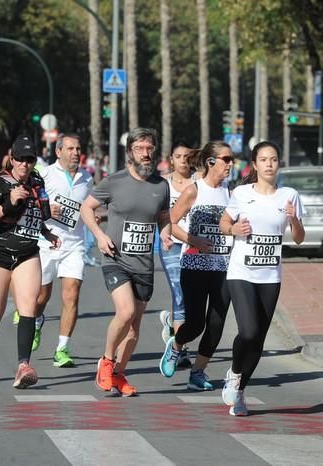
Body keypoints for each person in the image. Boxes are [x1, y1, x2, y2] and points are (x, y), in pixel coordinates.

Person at [81, 127, 172, 397]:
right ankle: (106, 362)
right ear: (130, 152)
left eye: (149, 149)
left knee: (133, 331)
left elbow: (164, 216)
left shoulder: (161, 185)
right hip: (116, 259)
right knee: (125, 311)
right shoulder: (114, 181)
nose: (145, 154)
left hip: (144, 264)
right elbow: (87, 208)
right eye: (139, 149)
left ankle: (119, 374)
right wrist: (98, 236)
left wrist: (166, 234)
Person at [220, 141, 305, 416]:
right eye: (264, 159)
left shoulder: (289, 196)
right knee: (249, 331)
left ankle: (241, 391)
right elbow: (224, 224)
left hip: (270, 275)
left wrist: (294, 220)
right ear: (254, 165)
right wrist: (234, 228)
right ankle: (234, 373)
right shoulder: (241, 193)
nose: (269, 164)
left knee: (258, 340)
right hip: (241, 271)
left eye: (274, 159)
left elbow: (299, 239)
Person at [0, 135, 61, 388]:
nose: (24, 164)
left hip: (27, 253)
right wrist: (8, 204)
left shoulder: (37, 181)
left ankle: (24, 366)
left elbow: (34, 215)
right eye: (20, 159)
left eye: (29, 159)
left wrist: (47, 234)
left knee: (28, 308)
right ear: (12, 159)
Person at [159, 141, 234, 391]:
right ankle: (177, 346)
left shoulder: (231, 193)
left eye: (231, 159)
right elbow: (171, 222)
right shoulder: (194, 190)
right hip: (194, 265)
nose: (231, 164)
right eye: (226, 159)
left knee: (217, 324)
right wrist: (194, 240)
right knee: (196, 324)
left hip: (223, 266)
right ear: (211, 162)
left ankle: (198, 372)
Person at [30, 133, 93, 367]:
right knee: (41, 297)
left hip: (74, 245)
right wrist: (46, 210)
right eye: (70, 148)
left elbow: (89, 208)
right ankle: (36, 322)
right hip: (46, 243)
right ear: (58, 152)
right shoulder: (44, 175)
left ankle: (62, 349)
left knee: (71, 294)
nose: (76, 152)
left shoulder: (87, 179)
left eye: (78, 148)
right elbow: (30, 204)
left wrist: (93, 216)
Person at [158, 140, 194, 368]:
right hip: (172, 243)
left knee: (192, 295)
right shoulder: (163, 184)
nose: (183, 160)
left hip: (194, 243)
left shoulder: (199, 182)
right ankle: (180, 350)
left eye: (187, 156)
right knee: (179, 290)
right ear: (172, 159)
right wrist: (163, 233)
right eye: (179, 156)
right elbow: (155, 211)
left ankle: (172, 322)